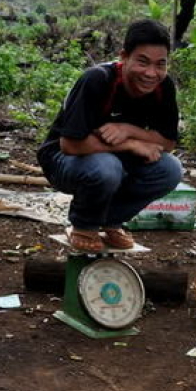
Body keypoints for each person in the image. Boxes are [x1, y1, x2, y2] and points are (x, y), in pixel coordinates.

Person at [38, 18, 183, 253]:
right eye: (143, 62)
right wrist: (130, 145)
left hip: (109, 159)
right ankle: (84, 224)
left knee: (170, 169)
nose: (151, 73)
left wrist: (128, 131)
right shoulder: (97, 80)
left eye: (160, 64)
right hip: (63, 161)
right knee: (106, 167)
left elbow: (167, 142)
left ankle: (111, 220)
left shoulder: (163, 86)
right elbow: (70, 145)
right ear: (124, 56)